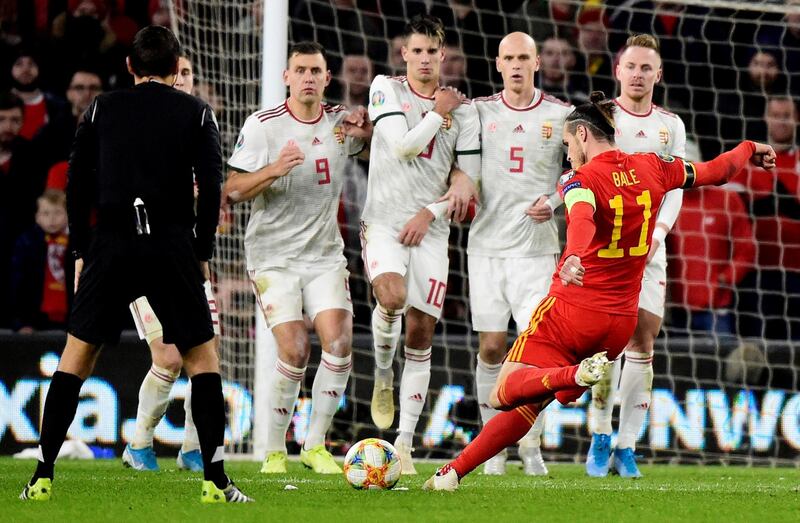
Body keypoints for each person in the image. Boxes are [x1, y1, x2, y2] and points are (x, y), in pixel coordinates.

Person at [423, 91, 776, 491]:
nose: (568, 153)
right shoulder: (654, 166)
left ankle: (572, 374)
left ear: (582, 135)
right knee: (533, 402)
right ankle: (452, 473)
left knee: (505, 392)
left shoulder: (579, 178)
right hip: (618, 327)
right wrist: (749, 147)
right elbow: (717, 171)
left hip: (573, 312)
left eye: (568, 144)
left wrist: (573, 255)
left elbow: (582, 219)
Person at [19, 26, 252, 504]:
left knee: (76, 357)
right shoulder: (197, 112)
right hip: (170, 248)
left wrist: (82, 250)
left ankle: (42, 475)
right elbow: (212, 189)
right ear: (175, 67)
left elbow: (76, 184)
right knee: (202, 361)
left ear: (130, 67)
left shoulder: (101, 108)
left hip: (111, 245)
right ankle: (216, 481)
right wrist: (202, 250)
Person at [224, 41, 372, 475]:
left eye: (316, 71)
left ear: (327, 79)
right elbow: (231, 191)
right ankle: (273, 449)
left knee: (340, 342)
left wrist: (369, 129)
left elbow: (374, 144)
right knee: (294, 348)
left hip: (324, 255)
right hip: (273, 257)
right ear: (286, 77)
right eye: (300, 70)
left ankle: (314, 445)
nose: (308, 77)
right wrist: (273, 169)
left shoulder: (340, 125)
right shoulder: (263, 126)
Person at [363, 13, 480, 474]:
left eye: (433, 51)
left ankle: (405, 445)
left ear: (442, 55)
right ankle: (383, 373)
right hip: (386, 222)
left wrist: (431, 211)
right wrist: (439, 112)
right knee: (390, 299)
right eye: (418, 51)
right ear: (404, 54)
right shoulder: (384, 89)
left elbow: (468, 182)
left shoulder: (464, 112)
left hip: (432, 230)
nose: (426, 59)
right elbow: (404, 147)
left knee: (421, 333)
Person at [469, 32, 573, 476]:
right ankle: (492, 446)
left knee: (534, 356)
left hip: (537, 252)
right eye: (508, 58)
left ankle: (530, 445)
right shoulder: (478, 112)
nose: (515, 65)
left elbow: (581, 172)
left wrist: (552, 203)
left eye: (523, 58)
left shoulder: (561, 114)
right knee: (492, 348)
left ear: (536, 64)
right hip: (486, 249)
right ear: (497, 64)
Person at [584, 34, 687, 479]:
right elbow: (583, 174)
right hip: (606, 249)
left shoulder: (671, 125)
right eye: (632, 66)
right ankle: (599, 434)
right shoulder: (601, 119)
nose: (639, 74)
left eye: (647, 68)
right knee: (605, 345)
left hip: (651, 249)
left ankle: (627, 446)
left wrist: (658, 233)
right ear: (618, 70)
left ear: (658, 74)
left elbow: (677, 185)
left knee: (643, 343)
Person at [122, 53, 214, 473]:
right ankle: (138, 445)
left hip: (190, 260)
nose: (181, 78)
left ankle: (193, 449)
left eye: (188, 72)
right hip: (143, 255)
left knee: (203, 356)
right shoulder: (137, 125)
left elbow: (216, 200)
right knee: (169, 356)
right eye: (175, 71)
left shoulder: (201, 125)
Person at [730, 96, 800, 340]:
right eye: (776, 115)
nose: (781, 121)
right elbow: (729, 208)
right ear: (765, 118)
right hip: (757, 272)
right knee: (760, 342)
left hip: (796, 270)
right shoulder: (746, 161)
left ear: (797, 119)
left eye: (787, 115)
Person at [668, 186, 755, 335]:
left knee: (719, 356)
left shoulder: (726, 199)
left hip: (716, 309)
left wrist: (725, 279)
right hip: (676, 310)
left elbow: (747, 250)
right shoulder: (667, 203)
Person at [10, 189, 69, 332]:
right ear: (37, 217)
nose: (52, 219)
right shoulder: (27, 243)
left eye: (57, 213)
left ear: (68, 215)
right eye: (46, 213)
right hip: (36, 319)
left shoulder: (77, 245)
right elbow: (18, 284)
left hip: (70, 318)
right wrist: (21, 322)